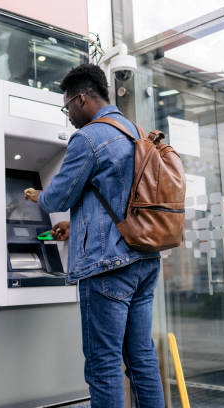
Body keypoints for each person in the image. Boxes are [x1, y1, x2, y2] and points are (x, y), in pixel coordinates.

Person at [24, 64, 165, 407]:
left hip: (108, 268)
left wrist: (36, 197)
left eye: (67, 106)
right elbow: (120, 199)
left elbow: (58, 197)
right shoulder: (134, 132)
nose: (68, 114)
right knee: (141, 358)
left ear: (81, 99)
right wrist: (77, 226)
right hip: (144, 259)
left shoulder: (88, 137)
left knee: (103, 365)